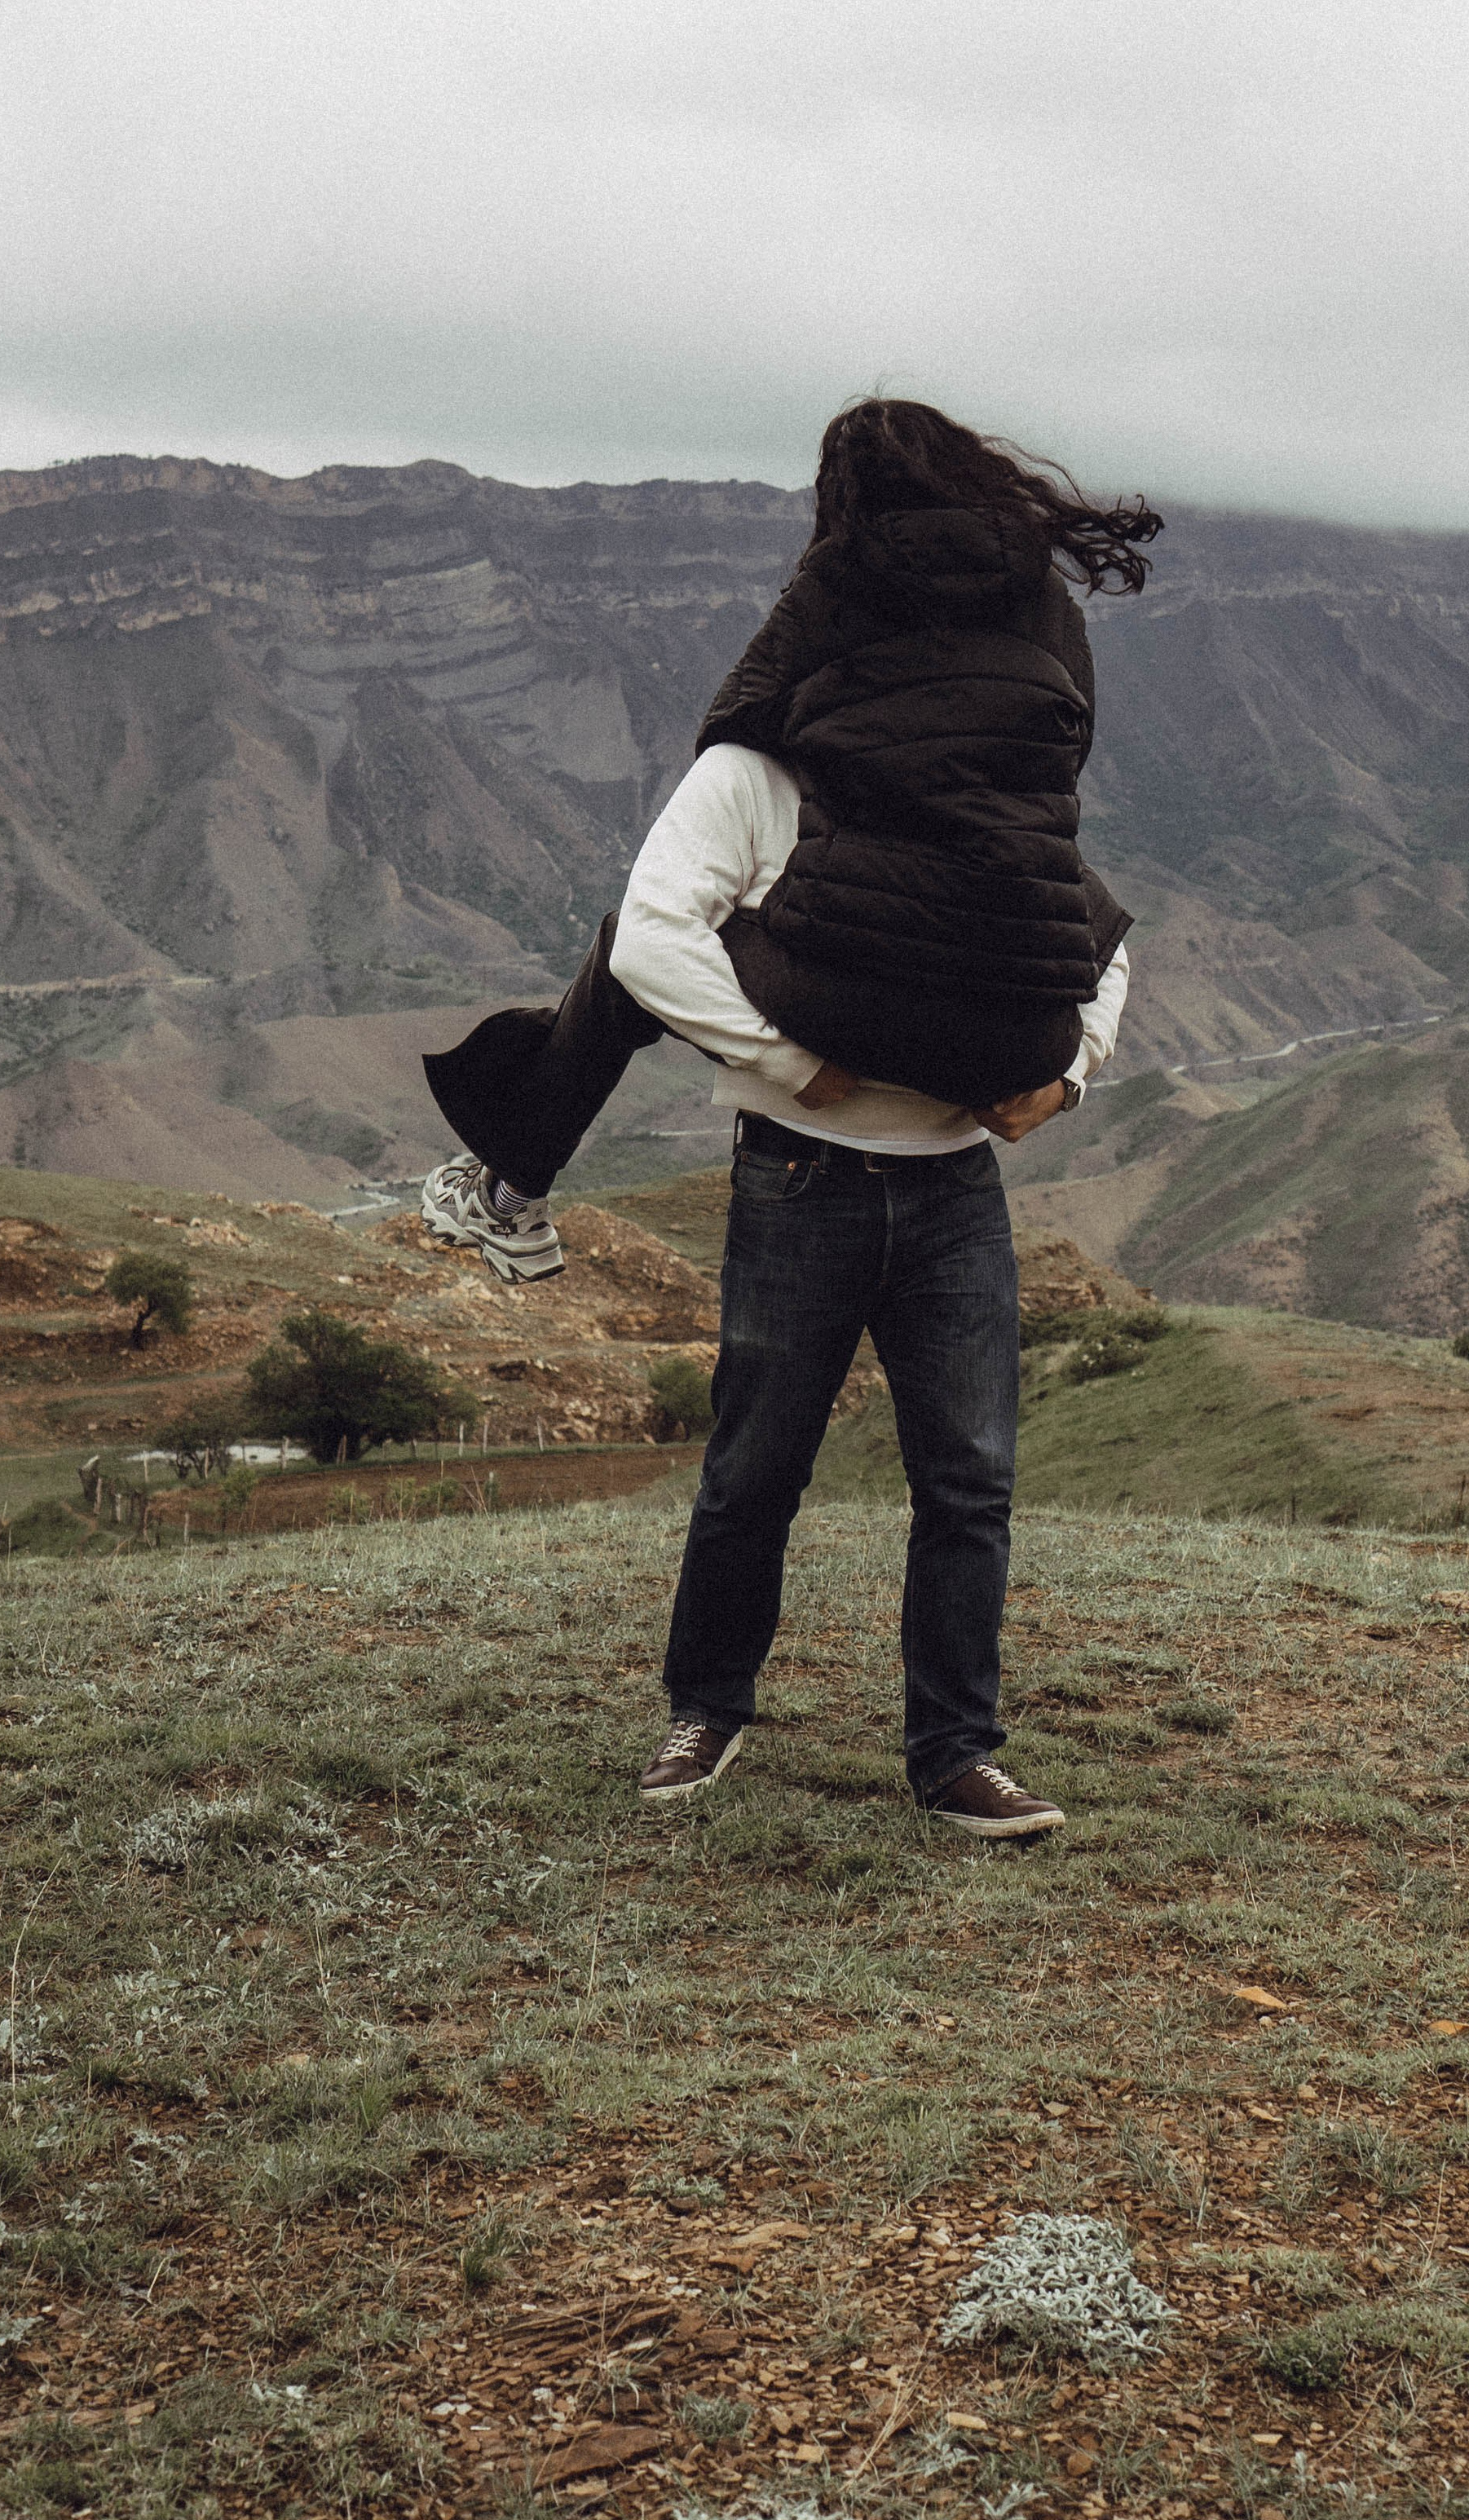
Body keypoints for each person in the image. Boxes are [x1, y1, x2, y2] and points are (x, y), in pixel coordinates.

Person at [417, 399, 1158, 1836]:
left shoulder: (983, 809)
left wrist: (1065, 1077)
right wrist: (789, 1061)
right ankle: (706, 1712)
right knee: (754, 1470)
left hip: (953, 1189)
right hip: (801, 1175)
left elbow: (1103, 945)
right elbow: (654, 936)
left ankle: (956, 1754)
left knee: (970, 1482)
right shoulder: (760, 776)